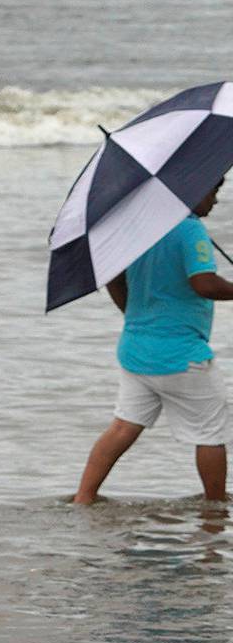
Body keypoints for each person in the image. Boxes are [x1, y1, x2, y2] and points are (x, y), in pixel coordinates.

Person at [75, 179, 233, 503]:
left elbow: (113, 278)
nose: (215, 200)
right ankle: (215, 508)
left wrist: (134, 317)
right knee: (211, 434)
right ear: (189, 189)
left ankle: (84, 497)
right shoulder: (190, 230)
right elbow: (205, 284)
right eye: (212, 190)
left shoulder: (141, 229)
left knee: (123, 427)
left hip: (136, 350)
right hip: (182, 357)